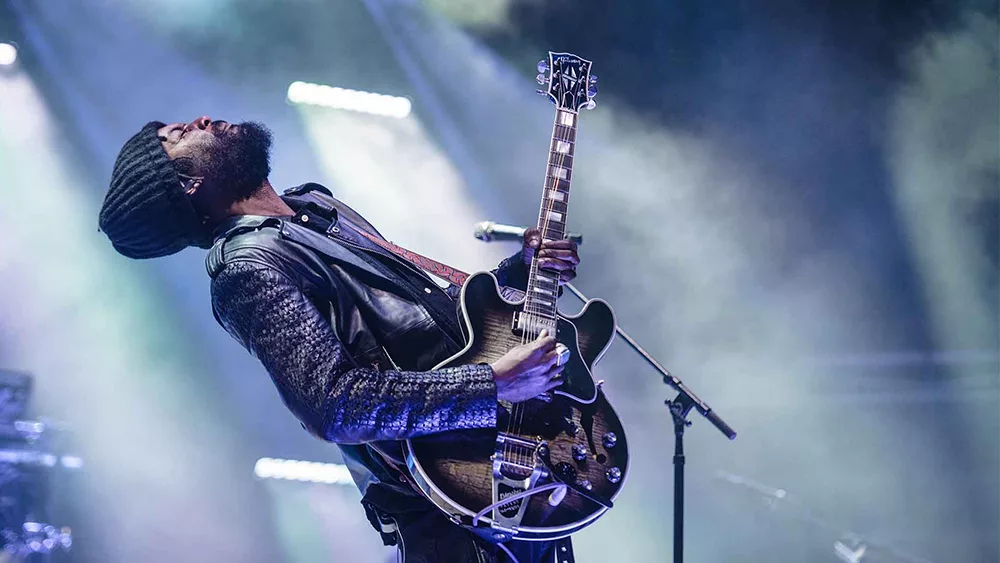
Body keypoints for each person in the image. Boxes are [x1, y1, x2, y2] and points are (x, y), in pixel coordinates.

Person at [98, 117, 582, 562]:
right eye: (178, 136)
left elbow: (434, 327)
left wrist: (522, 272)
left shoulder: (315, 210)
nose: (198, 121)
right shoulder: (247, 268)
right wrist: (490, 386)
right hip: (448, 509)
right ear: (188, 185)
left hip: (511, 475)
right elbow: (332, 405)